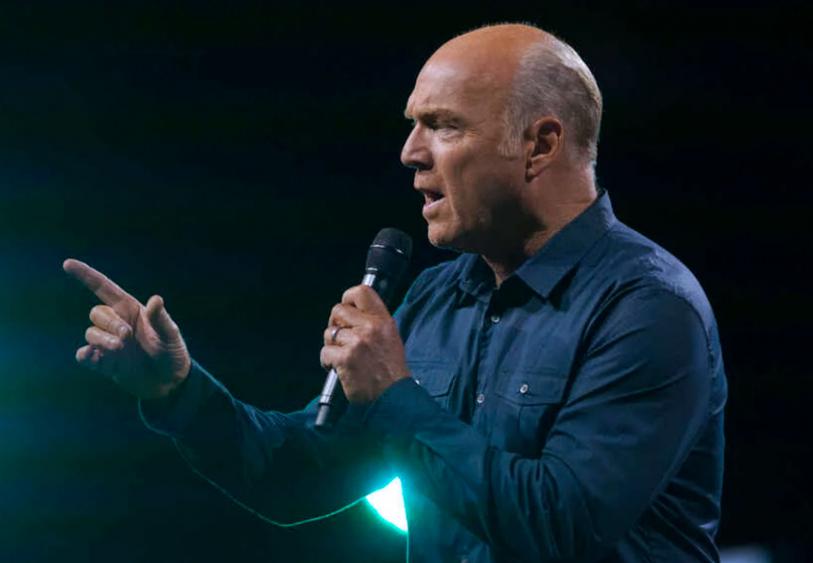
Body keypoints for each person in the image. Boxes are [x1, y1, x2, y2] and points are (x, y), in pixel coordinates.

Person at [65, 23, 728, 563]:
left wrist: (393, 396)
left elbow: (565, 524)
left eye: (443, 125)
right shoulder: (435, 301)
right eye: (413, 125)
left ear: (539, 143)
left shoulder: (647, 308)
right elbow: (300, 476)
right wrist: (179, 392)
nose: (411, 152)